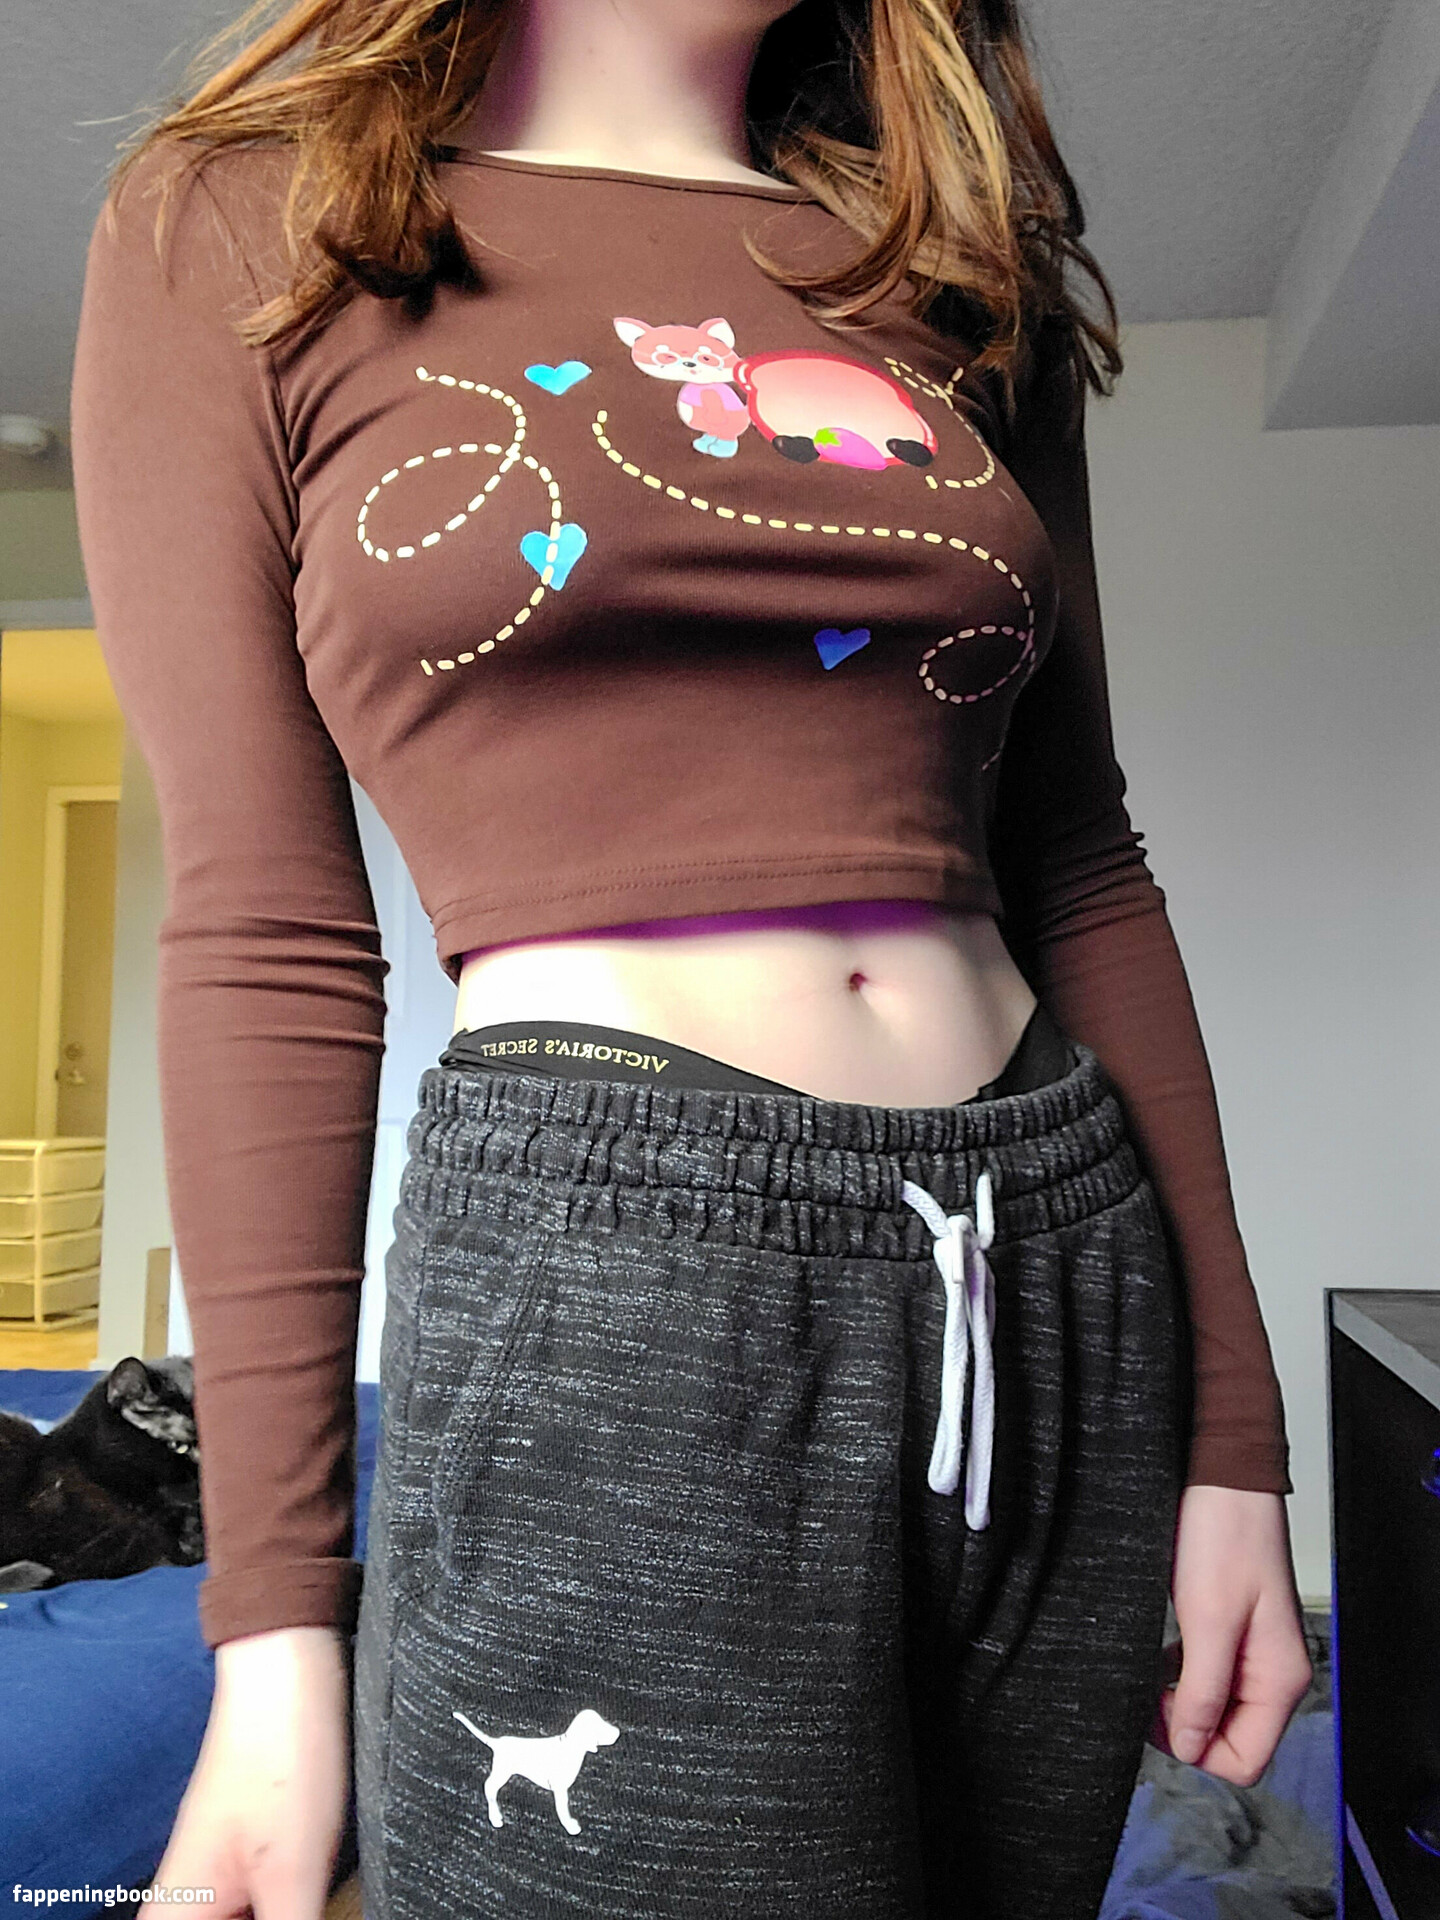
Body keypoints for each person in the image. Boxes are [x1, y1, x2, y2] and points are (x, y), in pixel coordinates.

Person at [69, 0, 1314, 1914]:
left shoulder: (948, 263)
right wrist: (274, 1631)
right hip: (621, 1276)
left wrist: (1235, 1442)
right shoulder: (245, 224)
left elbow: (1080, 864)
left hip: (1053, 1251)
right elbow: (268, 929)